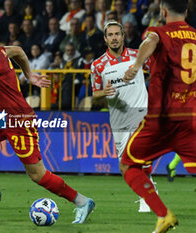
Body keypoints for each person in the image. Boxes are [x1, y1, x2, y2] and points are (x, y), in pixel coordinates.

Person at [0, 18, 95, 224]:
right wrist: (29, 74)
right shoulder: (0, 51)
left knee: (38, 175)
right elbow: (19, 51)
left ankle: (82, 202)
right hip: (2, 117)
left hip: (20, 120)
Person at [121, 0, 196, 232]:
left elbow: (150, 42)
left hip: (161, 120)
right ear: (186, 11)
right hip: (191, 118)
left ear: (163, 12)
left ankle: (163, 215)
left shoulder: (158, 32)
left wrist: (137, 64)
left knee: (128, 165)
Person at [91, 21, 155, 213]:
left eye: (117, 34)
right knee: (125, 165)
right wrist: (105, 92)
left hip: (140, 110)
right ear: (105, 39)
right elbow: (95, 94)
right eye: (110, 35)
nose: (114, 38)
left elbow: (156, 68)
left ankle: (147, 197)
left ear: (123, 36)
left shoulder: (137, 55)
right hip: (118, 116)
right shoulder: (98, 65)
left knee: (139, 155)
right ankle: (149, 191)